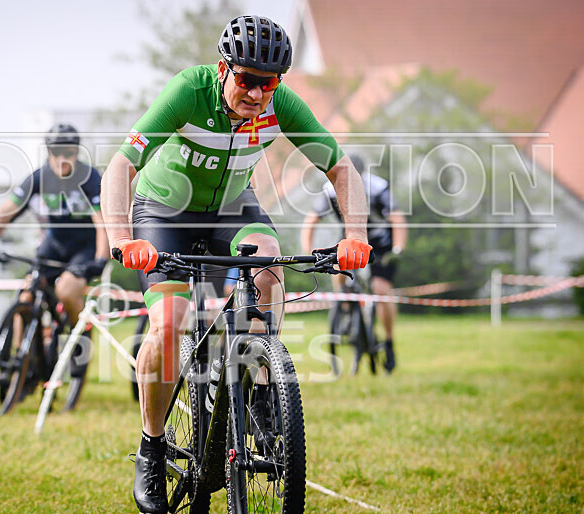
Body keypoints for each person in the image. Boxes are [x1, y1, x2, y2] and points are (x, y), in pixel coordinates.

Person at [100, 15, 372, 513]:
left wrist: (355, 235)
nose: (257, 93)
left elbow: (340, 167)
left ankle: (263, 391)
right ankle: (152, 447)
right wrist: (121, 237)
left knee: (269, 259)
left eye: (269, 83)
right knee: (168, 325)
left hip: (231, 208)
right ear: (224, 69)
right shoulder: (189, 91)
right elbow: (121, 165)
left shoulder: (279, 105)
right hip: (165, 211)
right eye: (247, 80)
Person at [0, 124, 109, 360]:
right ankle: (21, 361)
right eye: (56, 152)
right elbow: (7, 210)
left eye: (68, 152)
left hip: (85, 248)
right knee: (26, 295)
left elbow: (102, 223)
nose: (62, 159)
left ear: (76, 152)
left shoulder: (89, 178)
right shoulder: (39, 177)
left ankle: (80, 343)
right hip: (54, 244)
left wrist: (101, 259)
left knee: (66, 291)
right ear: (48, 152)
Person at [301, 155, 408, 372]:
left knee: (380, 288)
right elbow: (311, 220)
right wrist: (308, 251)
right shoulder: (330, 190)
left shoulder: (378, 188)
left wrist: (398, 248)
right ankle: (346, 310)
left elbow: (397, 219)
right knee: (339, 273)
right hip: (351, 237)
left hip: (381, 241)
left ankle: (388, 341)